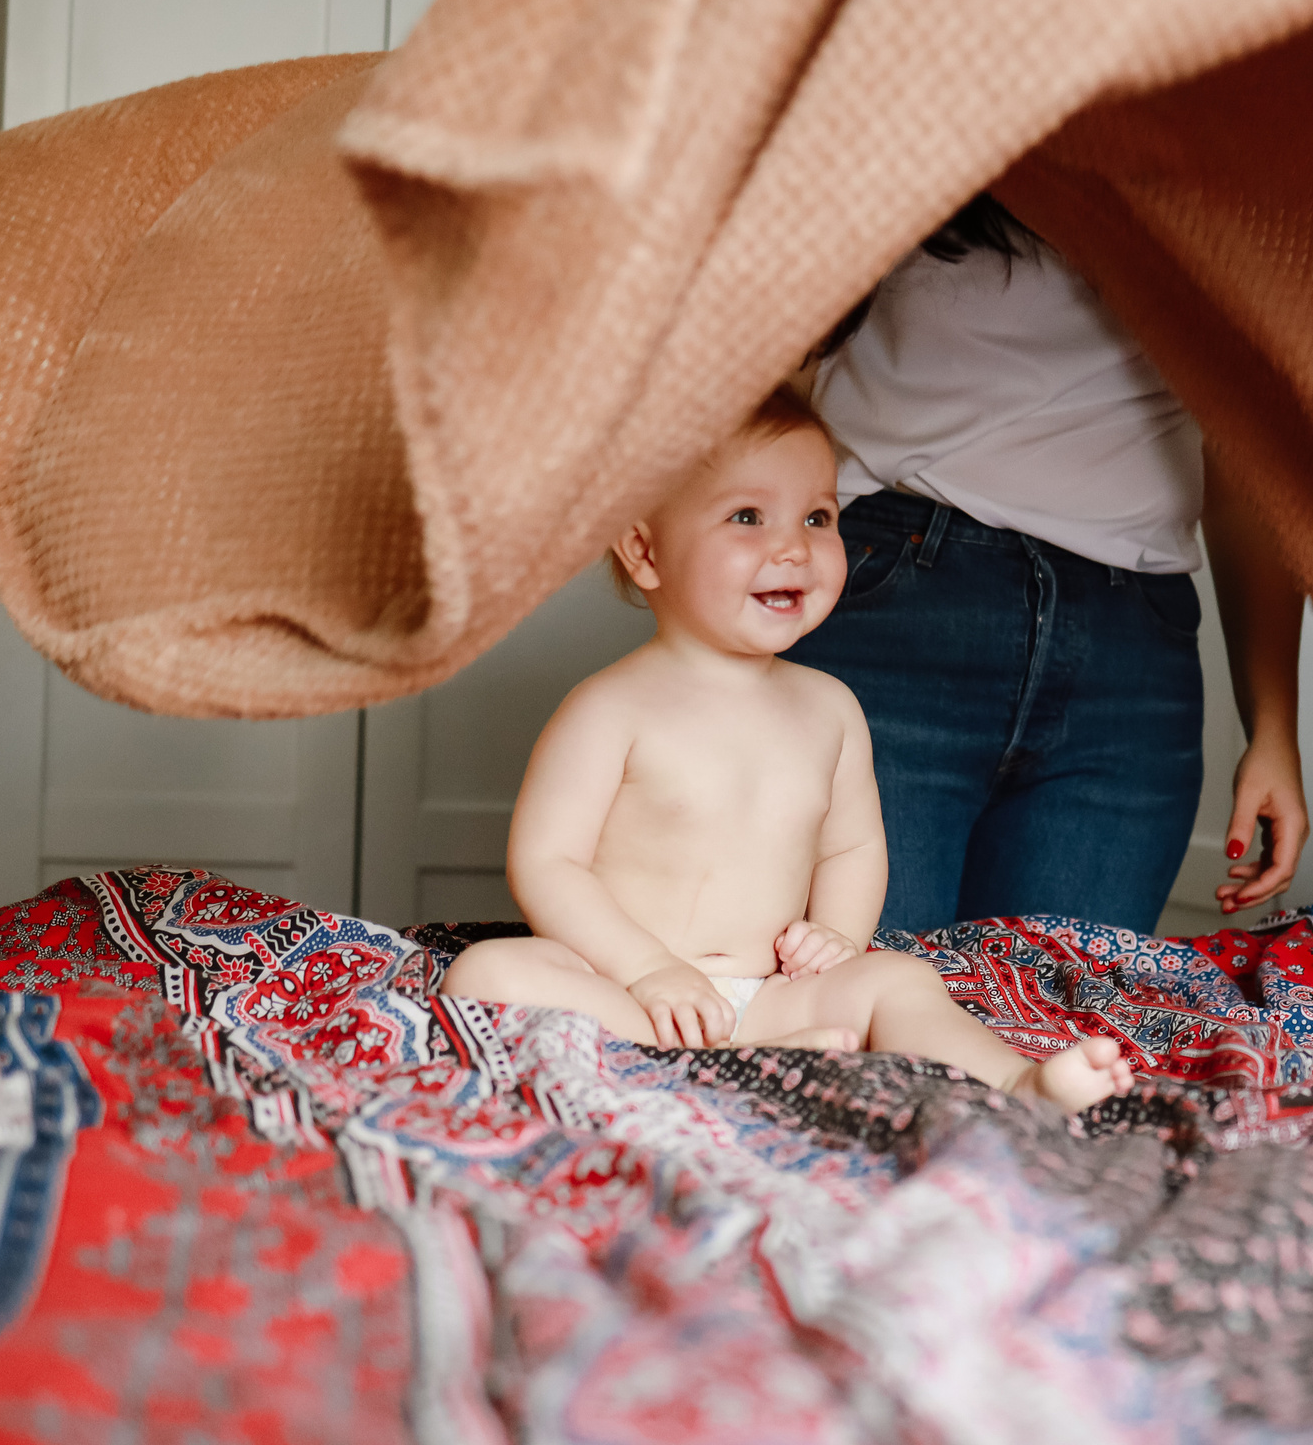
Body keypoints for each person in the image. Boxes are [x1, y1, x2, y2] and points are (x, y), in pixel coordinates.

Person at [439, 386, 1135, 1112]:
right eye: (748, 516)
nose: (794, 546)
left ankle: (1020, 1081)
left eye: (818, 516)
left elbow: (851, 849)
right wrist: (649, 970)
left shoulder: (829, 707)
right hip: (631, 991)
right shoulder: (608, 708)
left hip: (771, 997)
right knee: (489, 974)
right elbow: (548, 863)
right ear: (645, 548)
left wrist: (834, 935)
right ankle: (728, 1061)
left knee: (898, 981)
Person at [789, 196, 1309, 935]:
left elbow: (1253, 463)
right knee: (853, 1023)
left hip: (1130, 673)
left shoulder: (1238, 158)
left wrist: (1275, 727)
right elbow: (766, 370)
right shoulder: (903, 116)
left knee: (1052, 1040)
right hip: (890, 612)